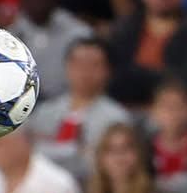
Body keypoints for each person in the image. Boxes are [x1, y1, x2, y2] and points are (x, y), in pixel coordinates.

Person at [30, 39, 132, 181]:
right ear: (66, 67)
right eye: (78, 64)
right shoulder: (44, 112)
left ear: (108, 70)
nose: (85, 71)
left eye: (94, 65)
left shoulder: (117, 119)